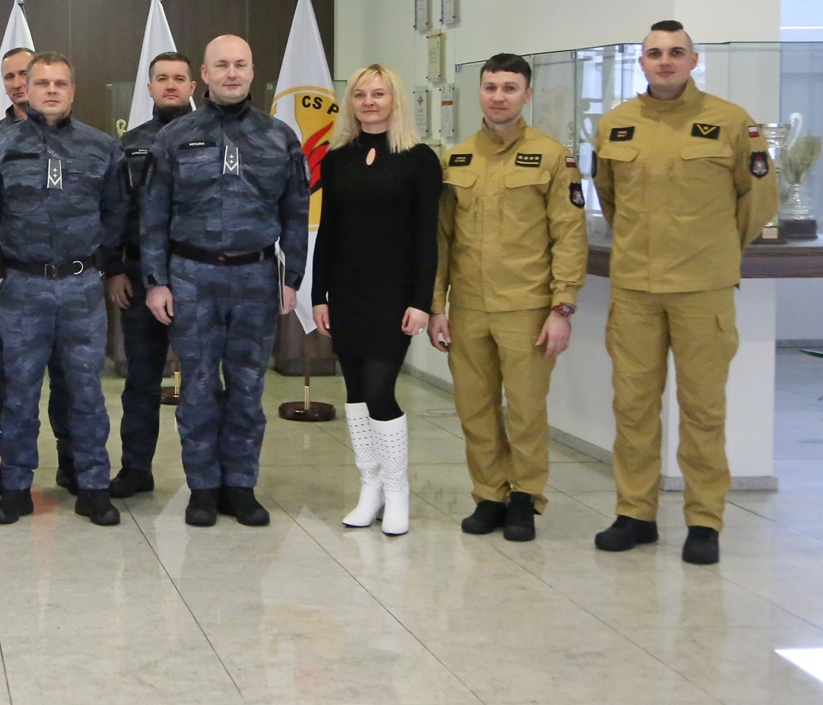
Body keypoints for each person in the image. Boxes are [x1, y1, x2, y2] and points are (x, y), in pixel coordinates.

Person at [591, 20, 778, 564]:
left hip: (703, 290)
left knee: (702, 409)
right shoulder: (616, 125)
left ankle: (703, 520)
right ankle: (635, 513)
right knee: (632, 406)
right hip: (635, 290)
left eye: (676, 52)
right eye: (654, 53)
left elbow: (758, 200)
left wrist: (715, 250)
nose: (665, 61)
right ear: (641, 62)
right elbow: (609, 197)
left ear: (694, 60)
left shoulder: (729, 122)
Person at [140, 34, 309, 528]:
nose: (231, 73)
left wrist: (291, 275)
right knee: (195, 386)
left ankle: (241, 485)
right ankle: (203, 488)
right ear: (205, 76)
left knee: (248, 387)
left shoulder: (279, 136)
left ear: (253, 72)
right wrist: (156, 280)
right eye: (221, 65)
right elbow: (153, 214)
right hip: (191, 275)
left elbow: (297, 212)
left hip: (256, 275)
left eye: (241, 64)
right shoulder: (174, 137)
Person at [428, 53, 587, 542]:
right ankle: (489, 496)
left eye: (510, 88)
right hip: (469, 308)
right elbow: (442, 241)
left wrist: (562, 307)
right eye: (491, 87)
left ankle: (524, 497)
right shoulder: (456, 157)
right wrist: (437, 305)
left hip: (527, 308)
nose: (499, 96)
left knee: (525, 410)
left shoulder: (553, 156)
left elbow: (569, 235)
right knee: (474, 408)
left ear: (527, 94)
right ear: (480, 92)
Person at [0, 52, 127, 527]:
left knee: (86, 390)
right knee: (18, 390)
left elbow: (116, 214)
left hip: (82, 285)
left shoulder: (102, 147)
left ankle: (93, 485)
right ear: (26, 88)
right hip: (23, 285)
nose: (51, 90)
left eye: (61, 82)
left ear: (73, 90)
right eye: (42, 83)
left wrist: (104, 262)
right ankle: (17, 485)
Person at [311, 64, 442, 537]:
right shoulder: (337, 158)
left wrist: (422, 301)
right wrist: (318, 294)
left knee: (381, 391)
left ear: (395, 100)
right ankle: (371, 487)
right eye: (361, 94)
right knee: (354, 394)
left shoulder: (419, 159)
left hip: (394, 296)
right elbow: (328, 231)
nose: (369, 101)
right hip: (347, 292)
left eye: (379, 93)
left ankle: (398, 491)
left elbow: (428, 237)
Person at [0, 45, 73, 496]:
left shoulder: (82, 141)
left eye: (24, 75)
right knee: (12, 377)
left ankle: (72, 461)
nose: (17, 83)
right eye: (11, 76)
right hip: (11, 279)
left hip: (72, 281)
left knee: (72, 379)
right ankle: (9, 463)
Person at [105, 51, 195, 498]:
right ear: (149, 87)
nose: (171, 85)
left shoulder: (211, 137)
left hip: (198, 273)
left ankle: (208, 476)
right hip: (140, 274)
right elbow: (116, 211)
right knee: (141, 379)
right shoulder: (129, 144)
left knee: (201, 379)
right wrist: (116, 268)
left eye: (179, 78)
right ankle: (136, 468)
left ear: (193, 86)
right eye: (162, 78)